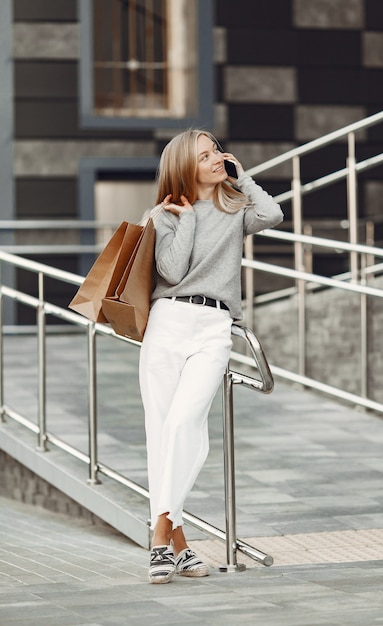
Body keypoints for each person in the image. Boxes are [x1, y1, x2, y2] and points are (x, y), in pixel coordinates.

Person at [139, 129, 284, 584]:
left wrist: (244, 177)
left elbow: (274, 213)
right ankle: (179, 549)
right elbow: (171, 271)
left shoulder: (235, 208)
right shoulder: (163, 215)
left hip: (214, 328)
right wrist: (183, 220)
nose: (218, 158)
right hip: (167, 324)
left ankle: (158, 535)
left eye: (217, 150)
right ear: (186, 167)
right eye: (206, 156)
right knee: (161, 437)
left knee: (186, 427)